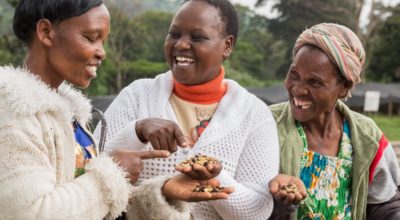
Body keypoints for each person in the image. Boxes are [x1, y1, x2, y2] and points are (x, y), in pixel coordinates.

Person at [0, 0, 233, 219]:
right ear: (46, 32)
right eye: (91, 38)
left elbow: (90, 208)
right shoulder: (12, 111)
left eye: (103, 41)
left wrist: (163, 193)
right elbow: (30, 213)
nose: (102, 52)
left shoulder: (68, 114)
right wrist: (113, 172)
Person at [95, 0, 280, 219]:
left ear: (227, 46)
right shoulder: (137, 96)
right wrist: (136, 130)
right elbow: (90, 168)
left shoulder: (254, 114)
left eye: (197, 37)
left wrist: (214, 176)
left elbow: (258, 211)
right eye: (174, 34)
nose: (181, 45)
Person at [268, 23, 400, 219]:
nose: (298, 89)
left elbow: (384, 204)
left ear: (344, 88)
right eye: (294, 75)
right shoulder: (266, 126)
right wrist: (276, 205)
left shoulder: (367, 137)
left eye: (315, 82)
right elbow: (242, 200)